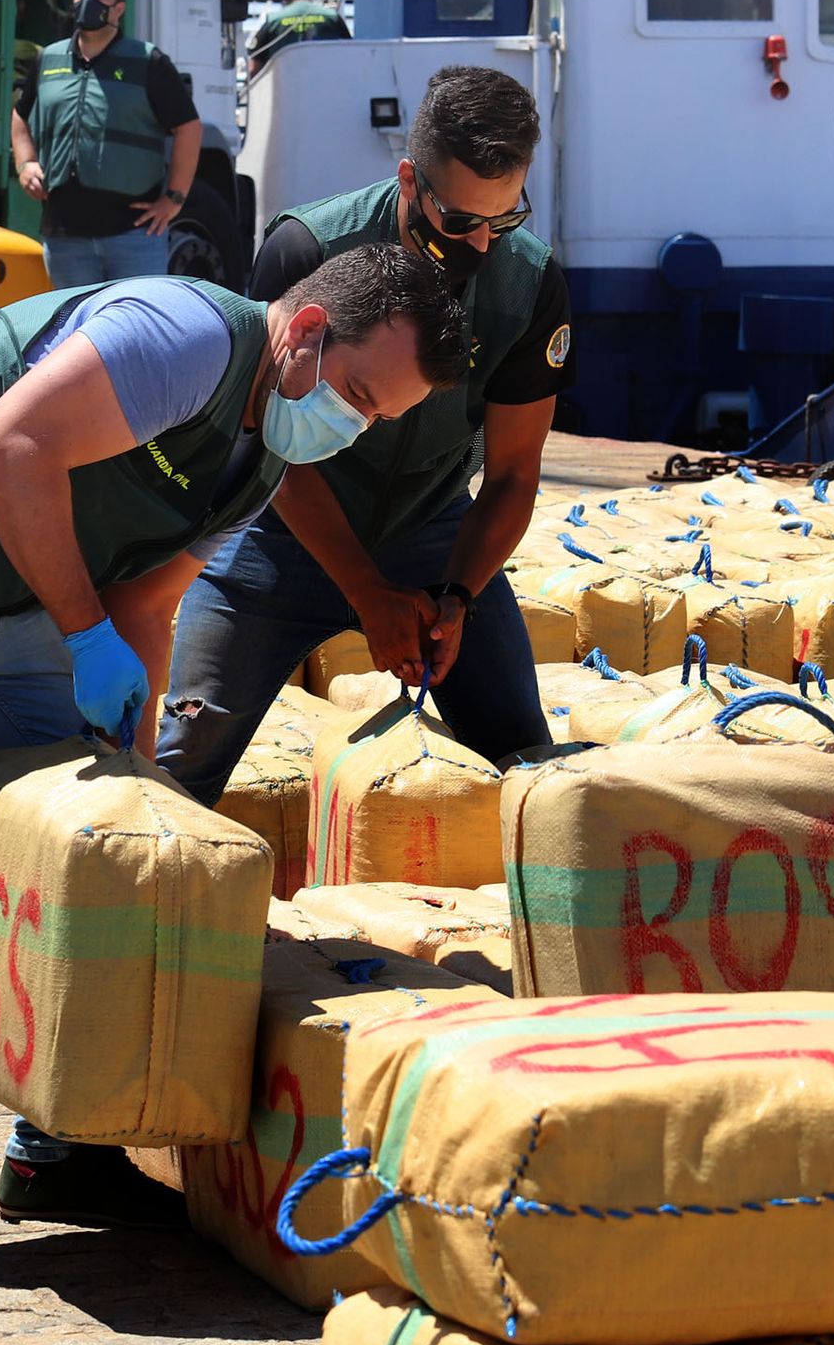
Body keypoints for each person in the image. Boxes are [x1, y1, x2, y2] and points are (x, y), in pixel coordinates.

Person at [0, 245, 466, 1316]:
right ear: (302, 333)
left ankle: (56, 1153)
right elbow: (10, 444)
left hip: (14, 609)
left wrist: (134, 769)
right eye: (354, 395)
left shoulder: (259, 453)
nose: (353, 428)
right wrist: (80, 634)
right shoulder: (183, 338)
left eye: (377, 417)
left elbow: (146, 607)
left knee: (98, 851)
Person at [159, 64, 572, 805]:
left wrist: (458, 595)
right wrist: (366, 591)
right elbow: (267, 441)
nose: (481, 245)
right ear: (410, 180)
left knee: (528, 768)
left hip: (432, 533)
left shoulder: (530, 285)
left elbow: (513, 476)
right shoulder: (307, 249)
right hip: (273, 530)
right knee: (179, 765)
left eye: (504, 221)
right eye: (458, 221)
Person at [11, 0, 202, 288]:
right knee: (76, 330)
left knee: (137, 332)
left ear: (118, 10)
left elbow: (189, 128)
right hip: (65, 238)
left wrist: (173, 199)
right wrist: (26, 163)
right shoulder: (48, 60)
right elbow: (20, 116)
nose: (87, 1)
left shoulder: (147, 61)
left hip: (132, 237)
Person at [246, 0, 350, 75]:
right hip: (328, 88)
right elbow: (351, 56)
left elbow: (254, 69)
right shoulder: (332, 17)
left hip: (285, 90)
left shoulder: (273, 21)